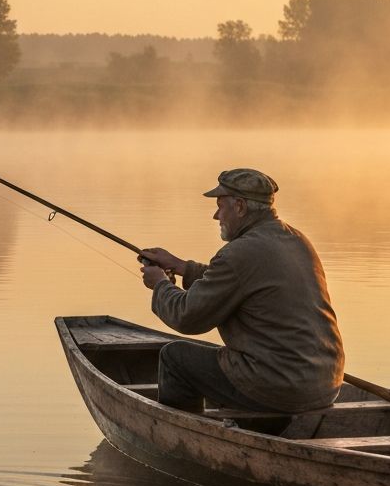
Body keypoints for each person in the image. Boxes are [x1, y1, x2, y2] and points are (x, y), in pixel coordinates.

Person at [139, 168, 344, 417]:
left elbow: (187, 316)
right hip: (326, 383)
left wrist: (160, 284)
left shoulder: (239, 253)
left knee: (175, 357)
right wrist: (182, 267)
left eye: (220, 206)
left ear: (239, 206)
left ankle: (183, 437)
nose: (216, 216)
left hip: (281, 387)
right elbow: (236, 280)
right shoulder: (296, 240)